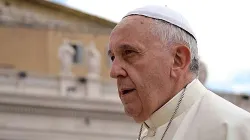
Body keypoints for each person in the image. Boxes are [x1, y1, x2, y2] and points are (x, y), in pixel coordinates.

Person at [108, 5, 250, 140]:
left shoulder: (234, 130)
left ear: (178, 60)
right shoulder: (151, 126)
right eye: (113, 57)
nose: (114, 71)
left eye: (129, 53)